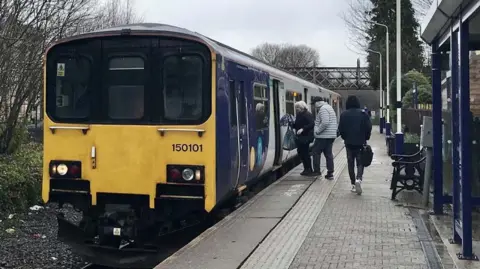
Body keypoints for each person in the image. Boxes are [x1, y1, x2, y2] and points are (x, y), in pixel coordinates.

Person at [339, 96, 372, 194]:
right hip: (360, 143)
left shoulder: (344, 114)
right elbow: (368, 127)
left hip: (349, 143)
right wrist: (366, 137)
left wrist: (345, 137)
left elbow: (340, 129)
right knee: (360, 163)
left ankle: (353, 184)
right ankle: (359, 179)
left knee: (350, 163)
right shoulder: (363, 114)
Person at [311, 97, 338, 179]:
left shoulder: (323, 109)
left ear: (316, 103)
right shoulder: (329, 107)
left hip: (323, 136)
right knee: (328, 154)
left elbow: (325, 122)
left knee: (315, 152)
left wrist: (317, 131)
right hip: (330, 135)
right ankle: (330, 173)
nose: (313, 106)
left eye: (313, 104)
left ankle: (317, 171)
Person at [292, 101, 315, 176]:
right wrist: (292, 124)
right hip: (300, 137)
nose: (296, 109)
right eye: (296, 108)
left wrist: (303, 129)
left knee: (305, 153)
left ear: (302, 107)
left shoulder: (307, 114)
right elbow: (297, 124)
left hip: (306, 136)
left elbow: (312, 124)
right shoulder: (299, 115)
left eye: (297, 107)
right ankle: (306, 168)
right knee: (301, 152)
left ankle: (309, 169)